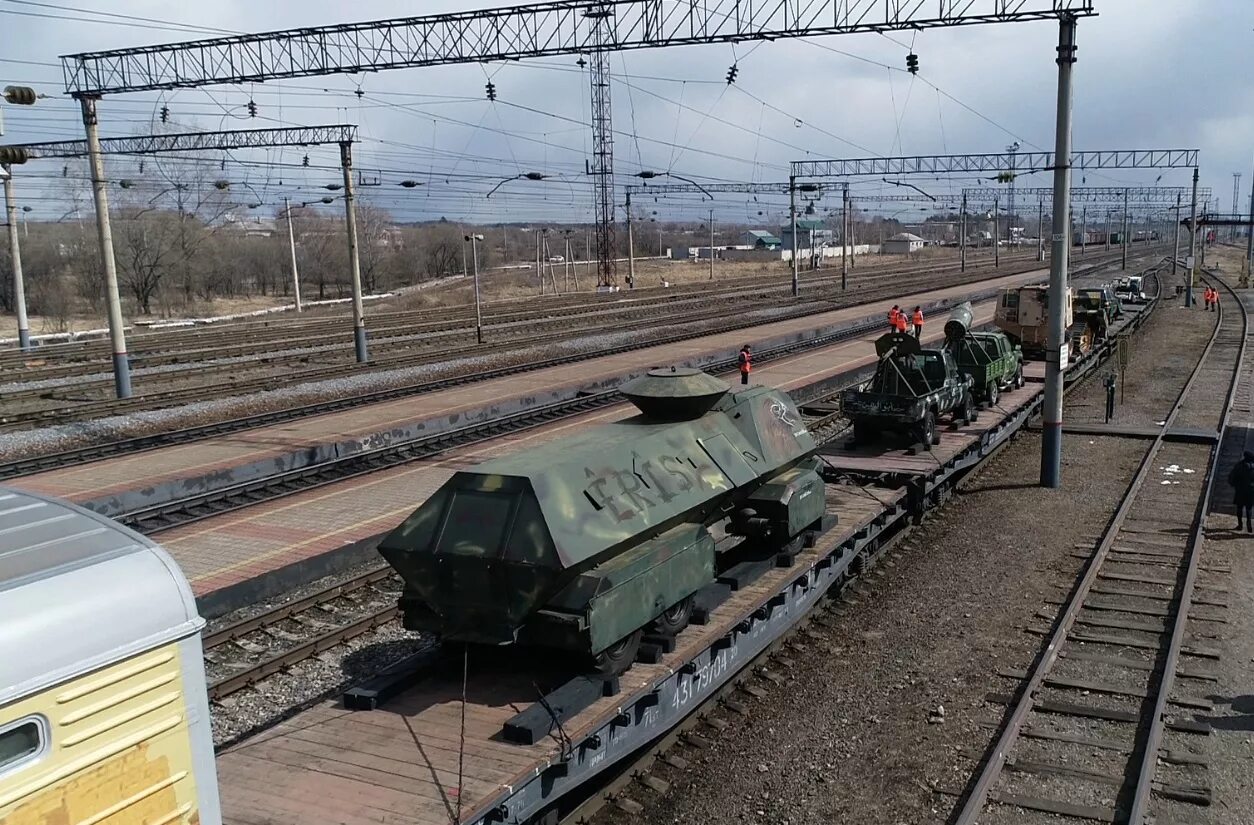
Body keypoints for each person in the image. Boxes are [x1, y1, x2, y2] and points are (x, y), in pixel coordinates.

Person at [1229, 451, 1254, 533]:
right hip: (1251, 490)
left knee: (1239, 507)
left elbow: (1232, 477)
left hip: (1240, 490)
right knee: (1249, 508)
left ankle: (1240, 525)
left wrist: (1234, 485)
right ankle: (1249, 524)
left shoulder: (1239, 465)